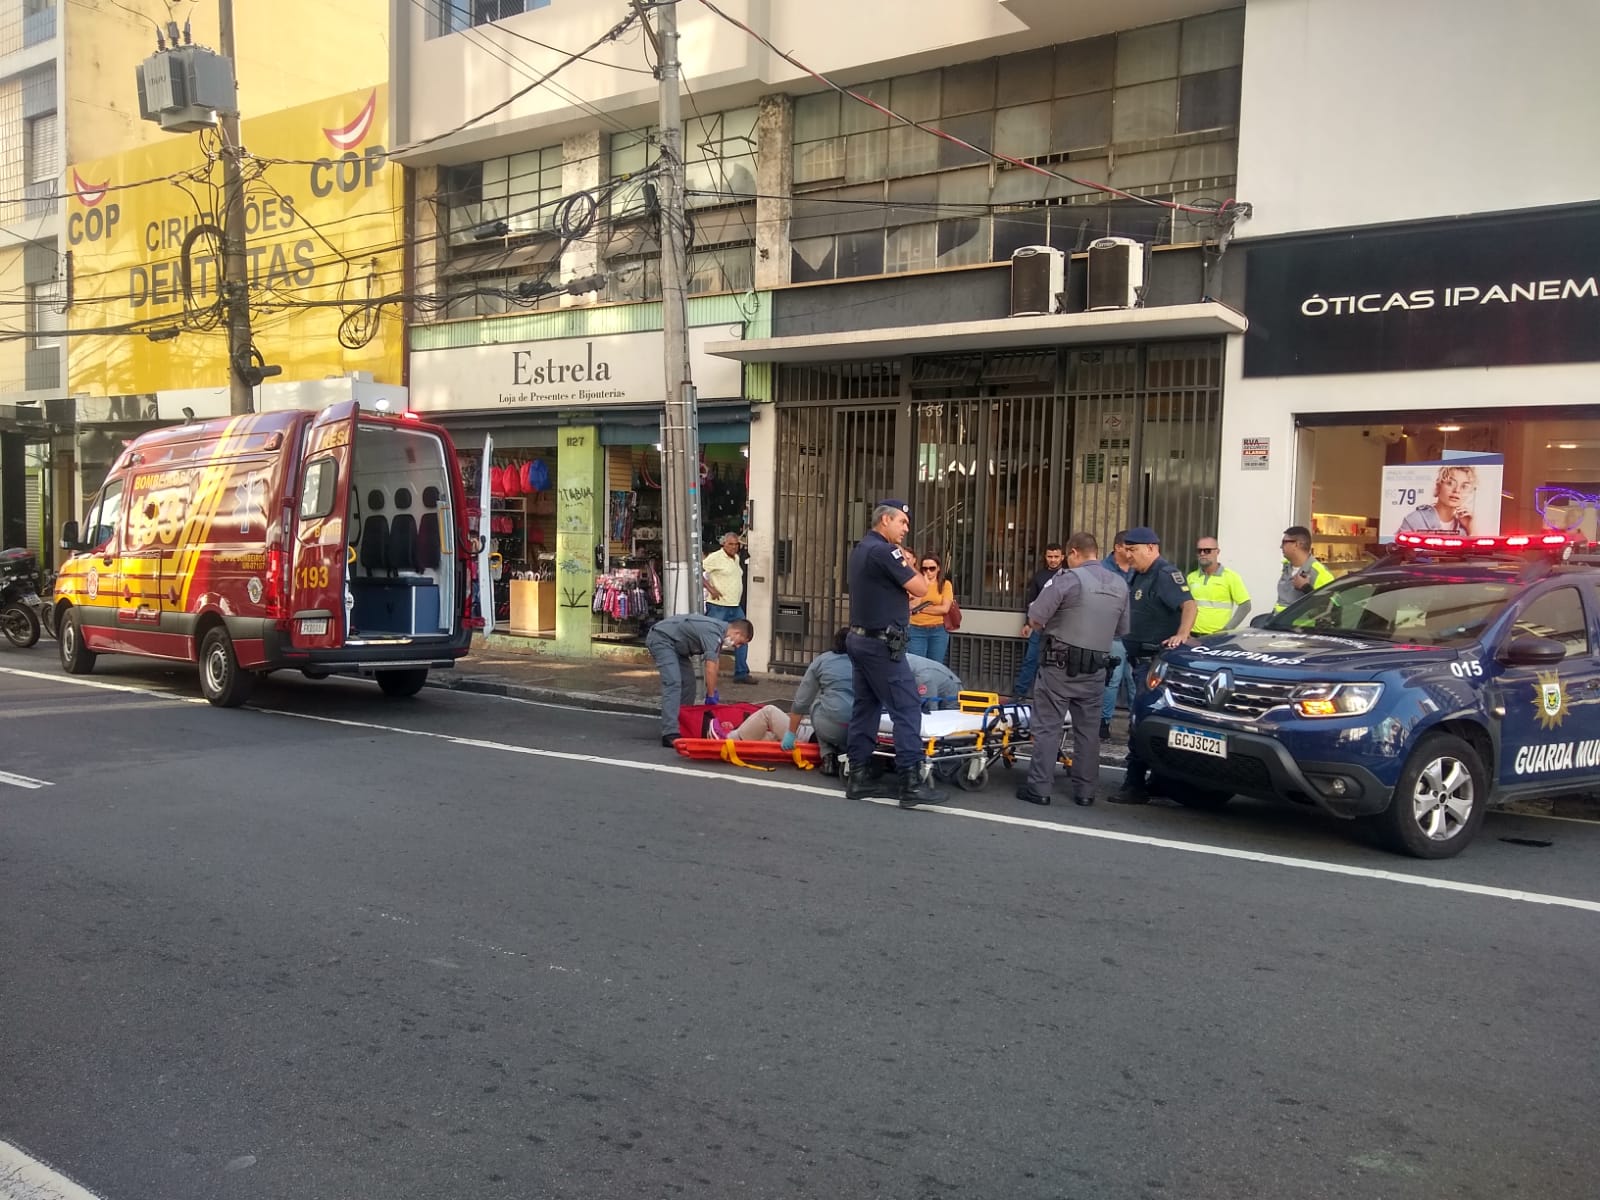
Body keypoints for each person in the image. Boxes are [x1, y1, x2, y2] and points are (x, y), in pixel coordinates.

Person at [844, 499, 948, 809]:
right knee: (907, 706)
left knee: (866, 706)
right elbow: (919, 588)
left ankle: (859, 776)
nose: (906, 529)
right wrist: (910, 565)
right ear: (885, 520)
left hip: (861, 639)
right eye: (902, 522)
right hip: (880, 644)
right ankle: (910, 781)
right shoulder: (885, 551)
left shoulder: (862, 548)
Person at [1016, 532, 1130, 808]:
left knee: (1048, 727)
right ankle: (1086, 792)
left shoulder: (1068, 578)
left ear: (1074, 552)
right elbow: (1122, 630)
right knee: (1088, 732)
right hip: (1096, 669)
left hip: (1059, 666)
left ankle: (1040, 788)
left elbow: (1036, 617)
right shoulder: (1120, 584)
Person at [1109, 527, 1197, 804]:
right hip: (1140, 660)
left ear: (1151, 548)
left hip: (1155, 663)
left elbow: (1189, 605)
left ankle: (1134, 784)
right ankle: (1159, 780)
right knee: (1149, 722)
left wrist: (1182, 634)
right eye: (1126, 549)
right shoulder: (1139, 574)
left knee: (1141, 721)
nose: (1128, 555)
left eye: (1132, 550)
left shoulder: (1164, 574)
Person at [646, 611, 754, 747]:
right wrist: (710, 694)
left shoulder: (719, 634)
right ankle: (670, 733)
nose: (737, 646)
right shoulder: (714, 632)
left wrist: (713, 691)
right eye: (740, 643)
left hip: (677, 648)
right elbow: (710, 667)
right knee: (673, 682)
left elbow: (715, 662)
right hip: (662, 639)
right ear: (737, 633)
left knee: (689, 684)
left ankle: (682, 724)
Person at [1013, 543, 1066, 698]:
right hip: (1039, 626)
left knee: (1058, 665)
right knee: (1031, 660)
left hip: (1060, 628)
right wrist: (1027, 623)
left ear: (1062, 557)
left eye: (1056, 556)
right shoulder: (1039, 576)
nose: (1053, 560)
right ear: (1045, 557)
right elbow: (1032, 601)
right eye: (1050, 556)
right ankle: (1019, 694)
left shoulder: (1068, 575)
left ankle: (1053, 696)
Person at [1099, 530, 1137, 739]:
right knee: (1113, 679)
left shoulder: (1138, 568)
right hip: (1113, 633)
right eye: (1129, 548)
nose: (1132, 553)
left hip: (1135, 634)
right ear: (1118, 547)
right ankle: (1104, 723)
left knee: (1134, 679)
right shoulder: (1104, 569)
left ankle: (1135, 721)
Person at [702, 531, 753, 684]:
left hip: (734, 606)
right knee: (714, 640)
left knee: (743, 638)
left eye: (736, 544)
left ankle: (741, 673)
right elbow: (697, 572)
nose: (734, 547)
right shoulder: (715, 557)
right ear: (723, 544)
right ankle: (709, 673)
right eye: (730, 544)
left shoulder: (736, 558)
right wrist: (711, 589)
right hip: (718, 606)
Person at [1186, 535, 1252, 636]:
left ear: (1217, 552)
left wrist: (1227, 629)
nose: (1202, 554)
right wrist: (1184, 630)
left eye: (1207, 550)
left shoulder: (1230, 577)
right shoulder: (1191, 578)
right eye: (1199, 551)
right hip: (1192, 635)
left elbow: (1245, 605)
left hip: (1217, 637)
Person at [1398, 465, 1478, 535]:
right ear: (1438, 486)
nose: (1457, 490)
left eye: (1464, 486)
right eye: (1450, 483)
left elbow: (1474, 551)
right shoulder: (1415, 519)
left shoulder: (1464, 528)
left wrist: (1471, 529)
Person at [906, 552, 954, 664]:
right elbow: (912, 605)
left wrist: (920, 609)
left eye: (932, 568)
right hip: (916, 629)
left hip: (938, 630)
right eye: (924, 568)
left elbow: (944, 609)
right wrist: (924, 586)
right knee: (917, 665)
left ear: (938, 569)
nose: (928, 571)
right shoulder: (915, 584)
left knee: (935, 665)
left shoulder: (945, 584)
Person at [1276, 525, 1335, 612]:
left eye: (1284, 542)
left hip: (1302, 625)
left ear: (1297, 544)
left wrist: (1306, 588)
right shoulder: (1287, 568)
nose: (1281, 546)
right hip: (1278, 624)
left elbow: (1332, 607)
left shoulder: (1320, 573)